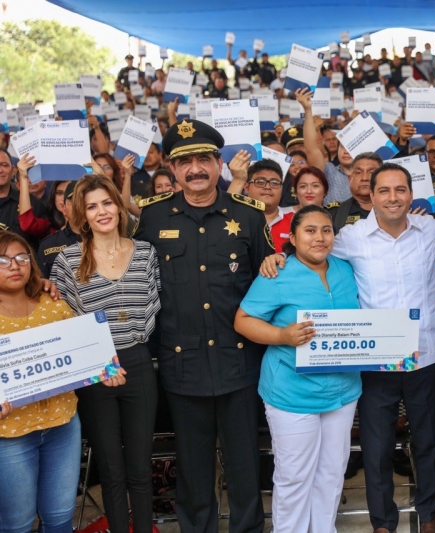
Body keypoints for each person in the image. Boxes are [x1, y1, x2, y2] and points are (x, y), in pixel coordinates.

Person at [262, 162, 435, 533]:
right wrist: (278, 254)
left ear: (412, 195)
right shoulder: (351, 237)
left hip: (425, 356)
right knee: (377, 449)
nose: (392, 198)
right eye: (384, 191)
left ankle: (428, 517)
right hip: (375, 361)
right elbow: (311, 247)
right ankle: (382, 523)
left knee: (427, 443)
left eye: (400, 190)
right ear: (370, 196)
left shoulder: (434, 230)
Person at [133, 118, 274, 533]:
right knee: (192, 469)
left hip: (239, 361)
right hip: (182, 362)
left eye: (204, 160)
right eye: (185, 162)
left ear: (220, 165)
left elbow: (269, 276)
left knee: (245, 463)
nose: (196, 169)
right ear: (173, 171)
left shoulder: (248, 216)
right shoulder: (149, 219)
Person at [234, 205, 360, 531]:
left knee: (332, 472)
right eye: (310, 230)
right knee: (294, 476)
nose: (319, 237)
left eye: (326, 230)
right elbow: (243, 320)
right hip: (291, 393)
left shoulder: (345, 269)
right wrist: (281, 335)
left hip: (343, 391)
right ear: (292, 237)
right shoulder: (277, 274)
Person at [50, 174, 161, 533]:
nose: (102, 212)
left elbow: (153, 309)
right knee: (112, 472)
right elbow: (65, 327)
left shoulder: (145, 253)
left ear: (118, 204)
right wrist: (99, 364)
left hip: (139, 364)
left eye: (107, 203)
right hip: (93, 372)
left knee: (141, 469)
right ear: (81, 214)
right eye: (92, 206)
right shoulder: (67, 261)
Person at [0, 232, 82, 533]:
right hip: (9, 434)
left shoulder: (53, 302)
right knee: (17, 524)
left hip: (63, 425)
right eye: (3, 259)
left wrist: (106, 369)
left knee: (60, 517)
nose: (15, 266)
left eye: (22, 257)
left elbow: (80, 352)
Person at [326, 152, 382, 233]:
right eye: (358, 173)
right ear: (349, 179)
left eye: (371, 173)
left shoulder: (394, 210)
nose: (365, 178)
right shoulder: (334, 213)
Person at [0, 149, 47, 246]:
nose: (0, 170)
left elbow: (42, 234)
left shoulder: (34, 204)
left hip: (22, 259)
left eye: (4, 165)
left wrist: (24, 177)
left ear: (13, 170)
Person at [37, 181, 81, 278]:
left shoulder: (107, 240)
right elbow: (42, 285)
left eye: (84, 201)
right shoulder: (48, 244)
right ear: (64, 209)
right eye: (74, 202)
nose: (80, 206)